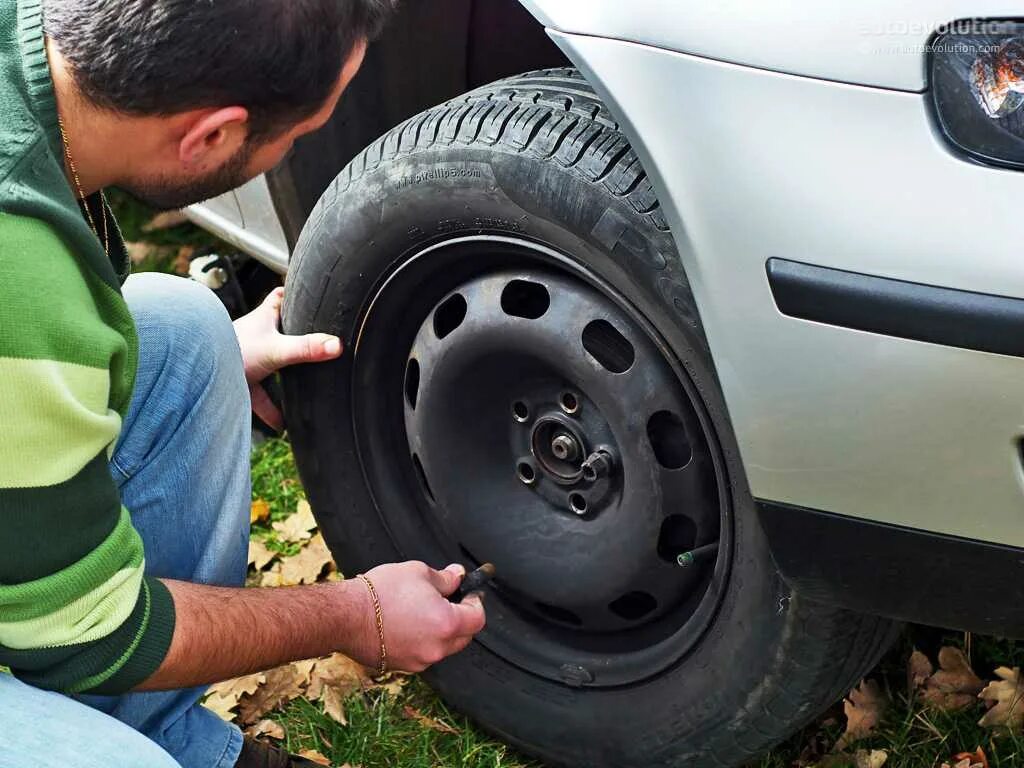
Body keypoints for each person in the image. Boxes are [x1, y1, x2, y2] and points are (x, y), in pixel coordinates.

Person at [0, 1, 488, 767]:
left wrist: (215, 356)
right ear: (212, 137)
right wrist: (353, 614)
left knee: (187, 334)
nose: (303, 144)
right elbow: (89, 633)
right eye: (299, 135)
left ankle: (165, 731)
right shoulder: (18, 268)